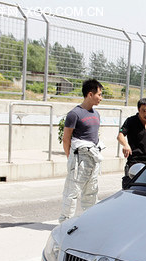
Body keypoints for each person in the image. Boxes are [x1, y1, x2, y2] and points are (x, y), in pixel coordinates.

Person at [58, 78, 105, 223]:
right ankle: (65, 223)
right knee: (72, 193)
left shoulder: (96, 114)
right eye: (99, 94)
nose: (101, 98)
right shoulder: (74, 114)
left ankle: (88, 222)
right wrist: (70, 158)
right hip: (79, 160)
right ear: (90, 94)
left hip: (93, 158)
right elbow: (66, 139)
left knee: (91, 192)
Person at [117, 98, 146, 188]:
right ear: (138, 110)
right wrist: (125, 145)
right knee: (131, 188)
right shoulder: (131, 121)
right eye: (143, 111)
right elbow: (120, 136)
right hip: (134, 162)